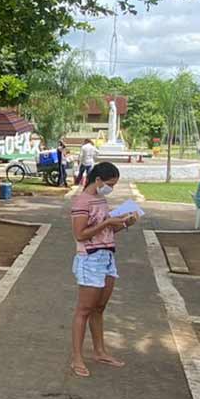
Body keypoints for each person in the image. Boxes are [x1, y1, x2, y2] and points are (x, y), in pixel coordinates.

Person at [69, 162, 137, 377]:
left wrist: (125, 223)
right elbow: (80, 234)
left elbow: (106, 230)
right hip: (90, 259)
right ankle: (77, 358)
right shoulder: (82, 201)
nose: (111, 188)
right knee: (84, 310)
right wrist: (108, 223)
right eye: (109, 184)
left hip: (106, 256)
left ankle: (100, 351)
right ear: (97, 180)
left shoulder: (101, 199)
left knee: (99, 308)